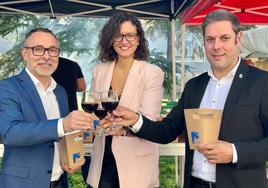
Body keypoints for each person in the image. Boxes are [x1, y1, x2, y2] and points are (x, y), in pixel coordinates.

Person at [111, 9, 268, 188]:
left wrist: (234, 152)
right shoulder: (194, 86)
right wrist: (136, 120)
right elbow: (167, 131)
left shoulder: (262, 83)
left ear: (238, 38)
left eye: (224, 38)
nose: (216, 46)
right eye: (210, 39)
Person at [0, 28, 93, 188]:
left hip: (60, 183)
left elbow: (63, 136)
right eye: (38, 49)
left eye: (52, 50)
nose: (46, 56)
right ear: (25, 53)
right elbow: (10, 133)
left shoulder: (61, 91)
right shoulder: (7, 87)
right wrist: (62, 124)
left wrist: (70, 158)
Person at [86, 12, 164, 188]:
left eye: (130, 35)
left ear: (138, 40)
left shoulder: (152, 72)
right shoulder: (99, 70)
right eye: (118, 35)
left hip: (136, 165)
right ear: (110, 39)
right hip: (102, 159)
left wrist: (122, 130)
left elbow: (149, 120)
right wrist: (96, 124)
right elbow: (95, 111)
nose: (124, 41)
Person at [52, 57, 91, 183]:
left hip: (52, 117)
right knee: (82, 148)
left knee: (57, 154)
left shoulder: (45, 65)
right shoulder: (73, 65)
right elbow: (82, 87)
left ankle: (60, 180)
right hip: (73, 115)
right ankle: (90, 180)